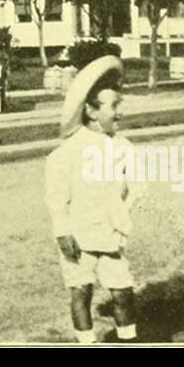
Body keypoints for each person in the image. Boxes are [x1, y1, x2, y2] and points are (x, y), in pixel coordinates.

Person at [44, 55, 142, 343]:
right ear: (90, 110)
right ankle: (86, 342)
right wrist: (63, 232)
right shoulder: (67, 153)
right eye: (113, 107)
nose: (118, 113)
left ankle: (129, 340)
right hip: (79, 237)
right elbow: (57, 198)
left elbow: (137, 187)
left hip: (110, 237)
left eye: (118, 105)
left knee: (123, 293)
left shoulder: (123, 148)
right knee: (81, 291)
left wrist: (121, 219)